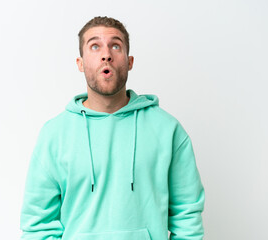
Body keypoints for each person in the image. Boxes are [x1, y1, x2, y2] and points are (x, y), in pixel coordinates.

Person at [20, 16, 205, 240]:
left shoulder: (168, 130)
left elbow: (187, 217)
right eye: (95, 46)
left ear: (129, 61)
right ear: (80, 63)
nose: (106, 54)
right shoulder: (54, 135)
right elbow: (38, 225)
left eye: (115, 46)